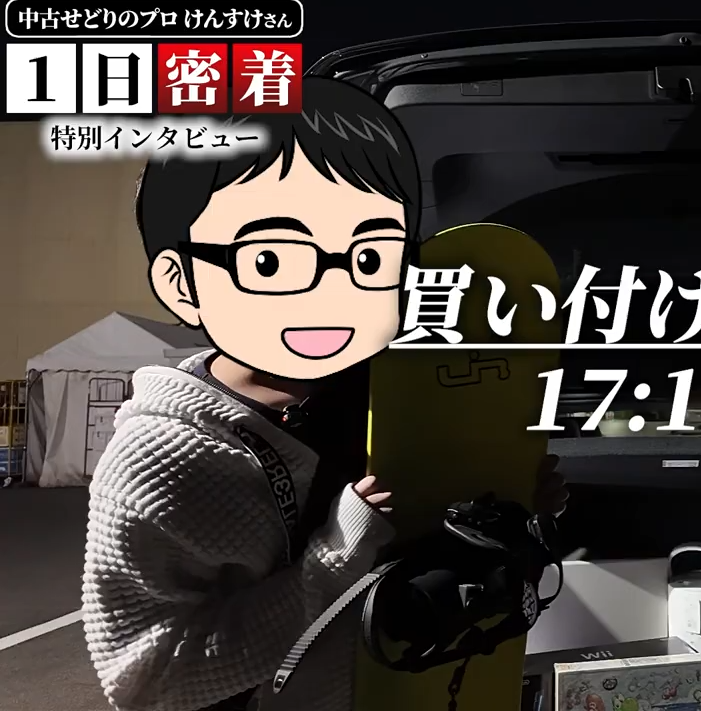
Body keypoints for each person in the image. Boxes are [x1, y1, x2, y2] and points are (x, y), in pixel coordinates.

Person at [82, 76, 568, 711]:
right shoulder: (159, 461)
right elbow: (146, 680)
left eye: (367, 258)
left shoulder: (395, 386)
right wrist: (334, 556)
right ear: (181, 283)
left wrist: (516, 508)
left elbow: (426, 539)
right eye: (273, 260)